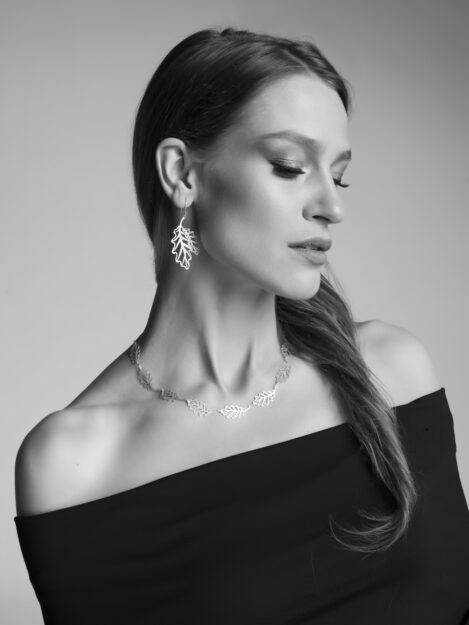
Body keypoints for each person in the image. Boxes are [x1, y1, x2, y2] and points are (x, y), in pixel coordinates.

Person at [13, 26, 469, 625]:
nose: (332, 206)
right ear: (182, 173)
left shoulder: (390, 372)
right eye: (290, 166)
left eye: (339, 175)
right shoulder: (74, 466)